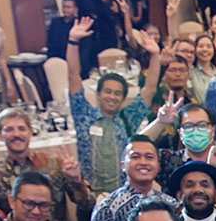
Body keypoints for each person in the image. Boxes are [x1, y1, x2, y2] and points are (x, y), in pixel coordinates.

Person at [65, 18, 160, 195]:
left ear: (123, 99)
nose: (112, 97)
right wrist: (73, 41)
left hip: (122, 193)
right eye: (107, 91)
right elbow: (73, 76)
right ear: (99, 94)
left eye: (117, 94)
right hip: (88, 193)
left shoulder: (128, 118)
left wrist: (155, 55)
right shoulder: (84, 114)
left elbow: (149, 89)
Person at [90, 138, 166, 221]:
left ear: (158, 166)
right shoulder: (107, 207)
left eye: (149, 157)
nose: (143, 162)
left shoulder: (170, 204)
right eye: (135, 157)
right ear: (123, 165)